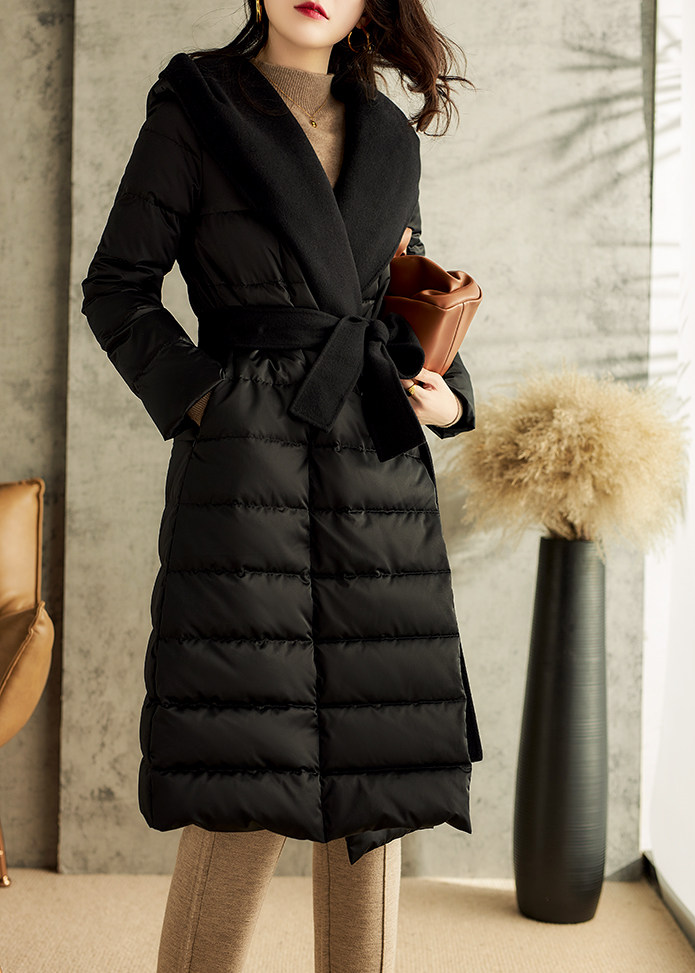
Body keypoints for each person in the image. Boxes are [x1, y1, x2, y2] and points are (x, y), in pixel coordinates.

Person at [81, 0, 483, 970]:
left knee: (375, 785)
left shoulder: (388, 135)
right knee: (247, 772)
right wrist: (208, 404)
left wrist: (447, 390)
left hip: (375, 470)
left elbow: (388, 297)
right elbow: (117, 288)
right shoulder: (196, 107)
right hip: (249, 473)